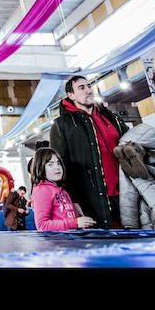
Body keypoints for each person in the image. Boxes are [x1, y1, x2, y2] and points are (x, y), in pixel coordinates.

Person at [49, 75, 129, 229]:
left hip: (126, 194)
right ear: (70, 95)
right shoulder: (63, 125)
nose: (88, 90)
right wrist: (72, 200)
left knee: (136, 243)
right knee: (103, 246)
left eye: (89, 86)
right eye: (81, 87)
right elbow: (60, 167)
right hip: (91, 199)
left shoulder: (112, 118)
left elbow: (131, 143)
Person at [29, 147, 97, 231]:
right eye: (50, 164)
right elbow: (42, 225)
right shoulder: (42, 190)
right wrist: (75, 223)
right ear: (40, 168)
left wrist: (80, 222)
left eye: (58, 163)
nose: (57, 167)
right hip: (58, 242)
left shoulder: (61, 189)